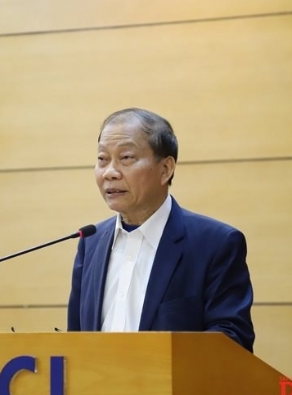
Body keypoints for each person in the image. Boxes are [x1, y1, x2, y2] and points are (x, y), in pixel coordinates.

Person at [67, 107, 255, 353]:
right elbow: (74, 342)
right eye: (102, 159)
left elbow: (232, 342)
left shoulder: (216, 244)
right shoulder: (90, 242)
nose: (110, 172)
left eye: (126, 158)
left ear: (165, 169)